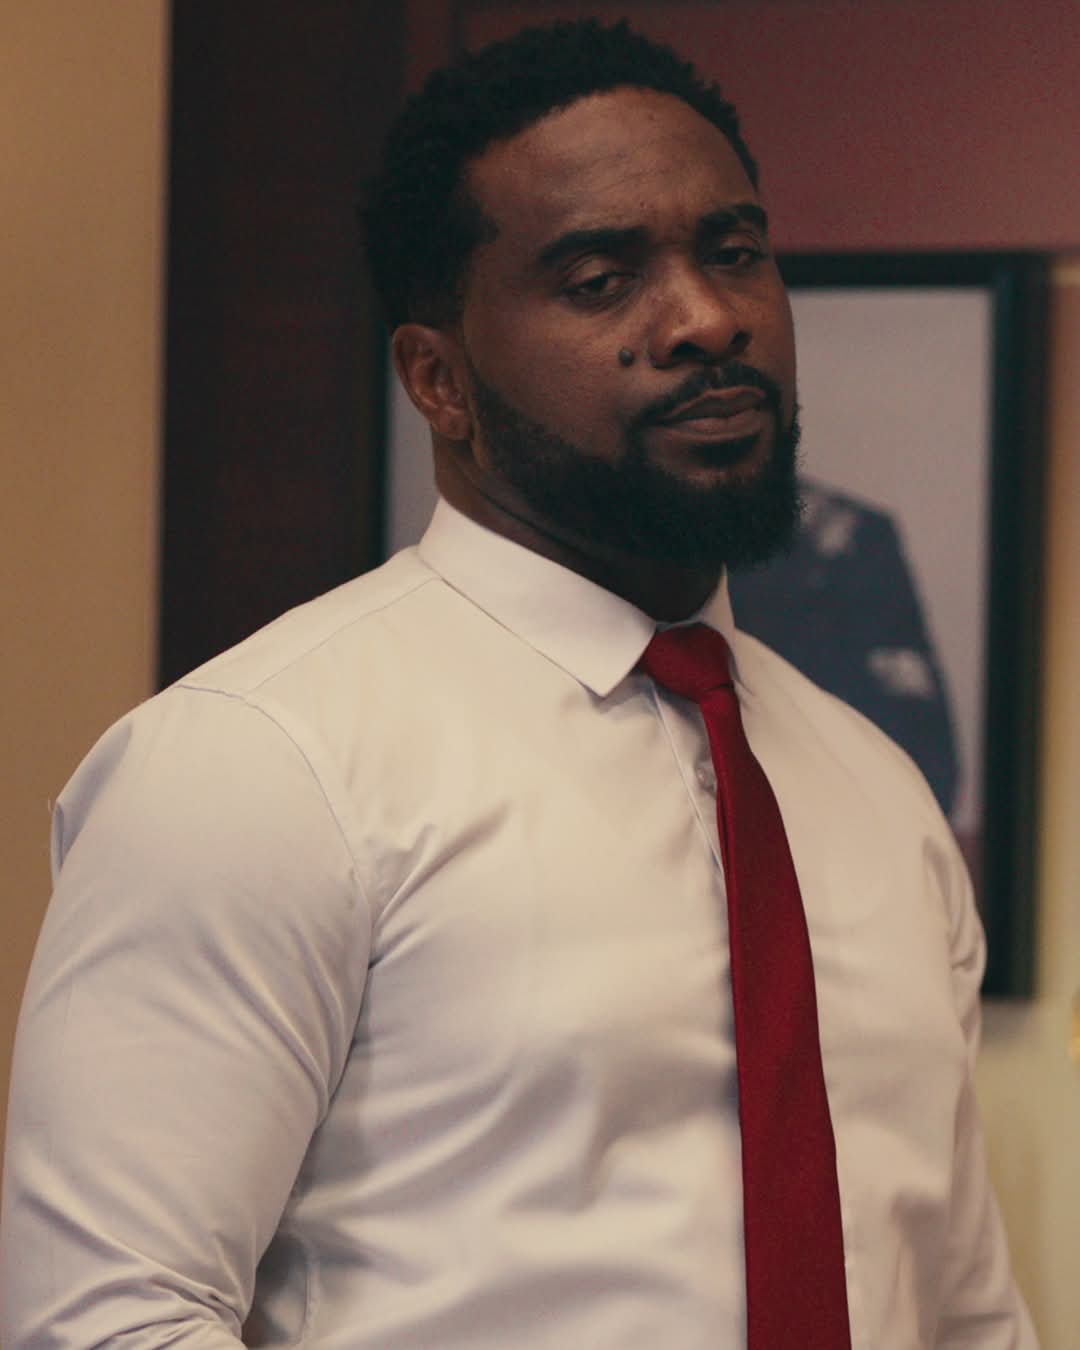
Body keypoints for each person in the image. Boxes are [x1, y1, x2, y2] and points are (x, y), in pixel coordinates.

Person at [1, 18, 1037, 1349]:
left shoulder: (873, 790)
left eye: (734, 252)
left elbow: (960, 1311)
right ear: (440, 381)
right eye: (602, 279)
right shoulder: (259, 763)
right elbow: (106, 1318)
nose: (708, 319)